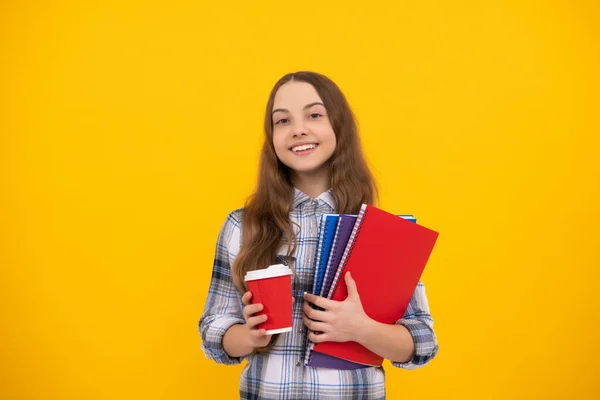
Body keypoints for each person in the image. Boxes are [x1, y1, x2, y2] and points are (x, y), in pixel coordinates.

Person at [199, 71, 438, 399]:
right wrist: (248, 335)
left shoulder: (381, 234)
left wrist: (359, 329)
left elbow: (422, 342)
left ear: (339, 126)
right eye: (282, 121)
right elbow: (213, 331)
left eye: (314, 114)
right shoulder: (243, 225)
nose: (298, 129)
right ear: (271, 138)